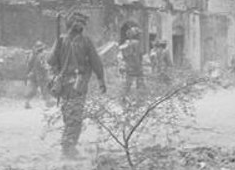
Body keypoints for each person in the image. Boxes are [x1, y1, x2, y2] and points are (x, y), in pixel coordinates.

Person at [47, 10, 106, 158]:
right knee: (73, 118)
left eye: (81, 22)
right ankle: (68, 149)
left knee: (70, 116)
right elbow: (51, 61)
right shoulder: (75, 40)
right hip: (73, 85)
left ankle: (68, 147)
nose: (80, 25)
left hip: (69, 85)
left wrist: (101, 79)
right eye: (78, 22)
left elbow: (51, 60)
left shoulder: (67, 40)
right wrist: (101, 79)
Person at [118, 25, 146, 99]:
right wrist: (139, 67)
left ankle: (124, 98)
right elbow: (138, 55)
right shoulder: (137, 43)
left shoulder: (125, 43)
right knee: (139, 85)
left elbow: (122, 55)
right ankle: (139, 99)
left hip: (127, 66)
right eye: (139, 34)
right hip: (136, 67)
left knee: (127, 85)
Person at [23, 41, 49, 108]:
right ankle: (47, 102)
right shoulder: (40, 55)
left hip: (34, 74)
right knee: (43, 88)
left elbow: (29, 65)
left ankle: (27, 102)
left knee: (33, 89)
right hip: (39, 74)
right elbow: (43, 66)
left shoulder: (33, 55)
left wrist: (27, 73)